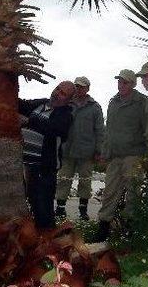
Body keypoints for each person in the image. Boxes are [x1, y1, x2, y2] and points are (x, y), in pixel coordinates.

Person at [93, 69, 146, 242]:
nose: (121, 85)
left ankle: (129, 228)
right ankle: (104, 227)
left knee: (133, 192)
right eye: (119, 82)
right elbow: (109, 130)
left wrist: (146, 155)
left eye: (124, 82)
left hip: (133, 155)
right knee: (109, 191)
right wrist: (104, 152)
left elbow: (147, 129)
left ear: (132, 84)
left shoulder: (141, 102)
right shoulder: (113, 102)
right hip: (115, 156)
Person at [20, 81, 75, 229]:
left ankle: (49, 242)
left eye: (63, 93)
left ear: (68, 100)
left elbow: (55, 128)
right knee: (24, 205)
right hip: (22, 165)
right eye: (57, 88)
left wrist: (29, 120)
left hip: (43, 170)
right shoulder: (40, 103)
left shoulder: (65, 115)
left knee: (43, 209)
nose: (57, 93)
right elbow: (21, 105)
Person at [54, 76, 105, 220]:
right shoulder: (67, 104)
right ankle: (60, 208)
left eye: (82, 86)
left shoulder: (95, 107)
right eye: (77, 86)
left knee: (85, 181)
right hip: (67, 150)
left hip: (86, 152)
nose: (79, 89)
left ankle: (83, 210)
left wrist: (98, 150)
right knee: (64, 179)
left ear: (88, 88)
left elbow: (100, 130)